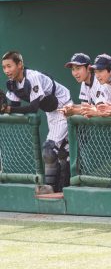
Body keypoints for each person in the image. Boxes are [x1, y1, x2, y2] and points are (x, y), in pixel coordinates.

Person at [1, 51, 72, 192]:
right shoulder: (12, 84)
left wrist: (9, 109)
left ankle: (52, 189)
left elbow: (33, 108)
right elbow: (15, 107)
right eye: (4, 67)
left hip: (63, 107)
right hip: (50, 111)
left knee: (49, 150)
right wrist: (3, 107)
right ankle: (64, 189)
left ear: (20, 64)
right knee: (63, 152)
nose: (7, 70)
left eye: (9, 66)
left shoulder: (32, 77)